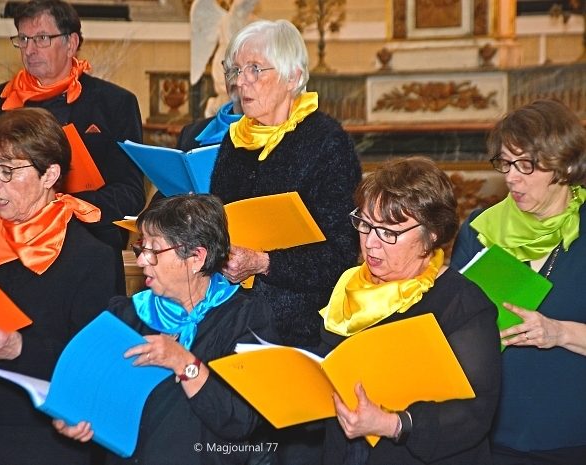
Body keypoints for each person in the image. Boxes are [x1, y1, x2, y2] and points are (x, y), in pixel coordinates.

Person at [0, 107, 116, 465]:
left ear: (50, 175)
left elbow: (94, 364)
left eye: (7, 171)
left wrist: (20, 349)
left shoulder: (91, 256)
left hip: (43, 438)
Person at [210, 19, 361, 464]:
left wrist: (264, 262)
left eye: (256, 69)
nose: (242, 82)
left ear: (294, 76)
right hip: (233, 319)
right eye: (236, 70)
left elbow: (341, 254)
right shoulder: (235, 140)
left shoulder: (327, 144)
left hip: (298, 333)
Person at [54, 194, 276, 465]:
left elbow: (240, 421)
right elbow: (91, 392)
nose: (142, 261)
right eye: (141, 248)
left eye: (154, 251)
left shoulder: (247, 319)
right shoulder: (126, 315)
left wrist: (183, 362)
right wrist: (72, 416)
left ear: (196, 257)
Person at [319, 156, 501, 465]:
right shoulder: (350, 286)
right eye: (365, 224)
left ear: (431, 234)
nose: (371, 245)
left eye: (389, 232)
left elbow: (475, 413)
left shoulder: (463, 303)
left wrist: (393, 424)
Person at [0, 0, 144, 294]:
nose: (29, 49)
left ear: (71, 42)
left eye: (41, 39)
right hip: (8, 249)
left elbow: (131, 192)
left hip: (88, 249)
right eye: (22, 39)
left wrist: (63, 208)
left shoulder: (115, 102)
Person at [450, 99, 586, 465]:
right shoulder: (480, 230)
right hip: (490, 432)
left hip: (572, 433)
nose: (511, 176)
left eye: (526, 164)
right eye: (505, 163)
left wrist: (558, 332)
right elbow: (452, 326)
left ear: (565, 164)